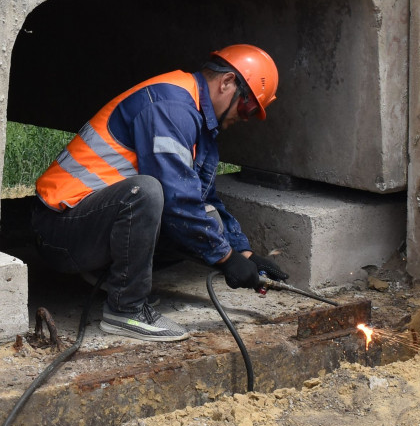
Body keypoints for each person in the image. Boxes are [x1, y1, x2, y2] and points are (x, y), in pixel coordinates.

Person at [30, 44, 286, 342]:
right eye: (248, 107)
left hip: (89, 223)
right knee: (147, 192)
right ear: (227, 82)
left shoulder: (197, 120)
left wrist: (244, 252)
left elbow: (200, 197)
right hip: (60, 230)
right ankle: (125, 309)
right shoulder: (171, 107)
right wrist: (226, 259)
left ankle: (111, 277)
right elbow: (177, 200)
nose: (245, 118)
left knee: (204, 218)